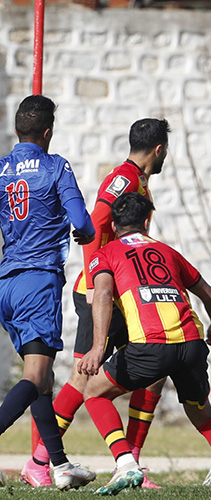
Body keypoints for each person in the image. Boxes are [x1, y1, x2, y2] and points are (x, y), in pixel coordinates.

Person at [75, 193, 211, 497]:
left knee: (94, 393)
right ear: (147, 221)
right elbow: (210, 295)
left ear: (113, 224)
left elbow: (101, 294)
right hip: (191, 344)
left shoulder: (106, 252)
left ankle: (126, 464)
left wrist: (98, 348)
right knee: (204, 418)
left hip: (150, 346)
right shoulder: (168, 251)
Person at [22, 118, 171, 489]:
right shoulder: (123, 178)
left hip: (122, 294)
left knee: (152, 376)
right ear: (159, 149)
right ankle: (40, 462)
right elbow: (94, 222)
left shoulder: (140, 180)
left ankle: (131, 465)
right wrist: (94, 275)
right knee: (82, 376)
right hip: (99, 292)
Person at [0, 95, 98, 489]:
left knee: (40, 378)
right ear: (47, 132)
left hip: (7, 282)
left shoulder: (2, 169)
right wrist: (84, 232)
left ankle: (57, 465)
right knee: (38, 373)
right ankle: (55, 464)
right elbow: (83, 223)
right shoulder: (56, 167)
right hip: (38, 282)